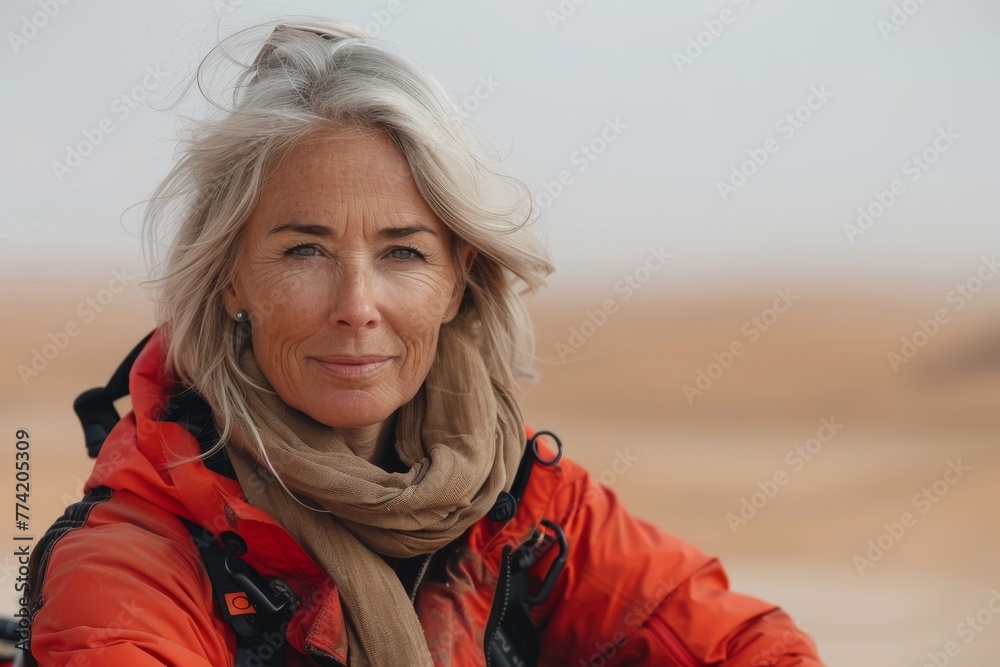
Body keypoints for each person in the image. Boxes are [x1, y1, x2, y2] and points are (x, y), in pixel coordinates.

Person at [24, 18, 825, 667]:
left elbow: (752, 646)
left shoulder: (521, 502)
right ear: (232, 278)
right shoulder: (132, 565)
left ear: (458, 279)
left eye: (403, 252)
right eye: (305, 250)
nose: (356, 306)